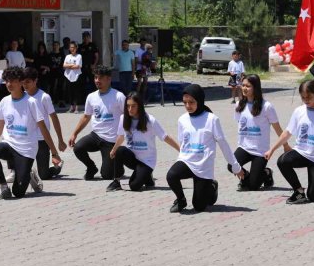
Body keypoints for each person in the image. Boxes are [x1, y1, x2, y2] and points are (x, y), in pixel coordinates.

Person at [0, 67, 62, 200]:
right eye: (7, 81)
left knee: (19, 192)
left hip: (26, 150)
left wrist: (54, 152)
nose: (9, 84)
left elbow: (43, 128)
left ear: (20, 82)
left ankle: (29, 175)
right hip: (9, 144)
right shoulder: (4, 101)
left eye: (13, 81)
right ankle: (3, 188)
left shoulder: (32, 102)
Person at [167, 84, 244, 213]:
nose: (187, 106)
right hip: (187, 161)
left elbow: (223, 144)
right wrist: (179, 161)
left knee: (199, 206)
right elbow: (183, 143)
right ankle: (180, 200)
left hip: (204, 166)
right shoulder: (182, 120)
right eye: (185, 102)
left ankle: (212, 186)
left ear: (200, 100)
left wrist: (235, 166)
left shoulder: (212, 119)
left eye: (191, 102)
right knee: (171, 175)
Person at [265, 80, 314, 204]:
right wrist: (272, 149)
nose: (306, 100)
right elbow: (287, 132)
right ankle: (298, 191)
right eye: (303, 97)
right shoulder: (299, 111)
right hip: (301, 152)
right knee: (282, 161)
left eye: (309, 97)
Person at [109, 91, 180, 191]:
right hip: (133, 158)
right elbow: (121, 136)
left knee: (134, 186)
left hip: (147, 162)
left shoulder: (150, 120)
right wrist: (113, 149)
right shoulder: (123, 118)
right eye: (128, 106)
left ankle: (148, 176)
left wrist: (181, 150)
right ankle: (116, 181)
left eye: (133, 106)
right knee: (120, 150)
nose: (130, 109)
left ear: (139, 106)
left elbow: (165, 137)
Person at [230, 74, 289, 191]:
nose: (244, 88)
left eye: (248, 86)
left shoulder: (267, 106)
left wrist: (285, 145)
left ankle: (266, 173)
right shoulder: (238, 105)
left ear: (256, 88)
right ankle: (246, 177)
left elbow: (277, 128)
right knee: (232, 166)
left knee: (253, 186)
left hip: (260, 151)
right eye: (243, 85)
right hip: (244, 147)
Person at [68, 65, 126, 183]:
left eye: (100, 78)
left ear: (108, 79)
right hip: (95, 136)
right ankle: (91, 168)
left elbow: (129, 116)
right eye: (95, 78)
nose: (97, 81)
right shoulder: (91, 97)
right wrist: (74, 133)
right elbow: (86, 117)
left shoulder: (119, 96)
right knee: (78, 148)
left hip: (111, 140)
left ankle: (118, 163)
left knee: (107, 175)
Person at [20, 67, 67, 181]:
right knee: (22, 171)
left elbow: (54, 118)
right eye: (23, 82)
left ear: (35, 81)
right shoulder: (21, 96)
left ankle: (57, 167)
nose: (25, 85)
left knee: (44, 175)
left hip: (42, 140)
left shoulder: (44, 97)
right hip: (26, 140)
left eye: (28, 82)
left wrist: (60, 140)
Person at [63, 41, 83, 113]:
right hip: (68, 76)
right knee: (70, 92)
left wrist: (69, 65)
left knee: (76, 92)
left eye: (73, 47)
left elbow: (78, 66)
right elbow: (64, 65)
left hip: (76, 76)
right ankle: (71, 107)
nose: (72, 49)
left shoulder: (79, 56)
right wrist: (72, 65)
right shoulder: (67, 56)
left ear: (76, 48)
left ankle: (77, 108)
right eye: (71, 47)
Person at [78, 32, 99, 100]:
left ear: (89, 38)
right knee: (82, 83)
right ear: (82, 38)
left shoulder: (93, 45)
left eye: (87, 37)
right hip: (83, 68)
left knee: (93, 83)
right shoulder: (80, 46)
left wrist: (94, 65)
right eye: (84, 37)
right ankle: (82, 99)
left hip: (91, 67)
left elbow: (96, 56)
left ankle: (95, 98)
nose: (86, 38)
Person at [48, 40, 65, 107]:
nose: (55, 47)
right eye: (54, 45)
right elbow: (49, 63)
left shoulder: (62, 54)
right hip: (52, 73)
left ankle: (61, 101)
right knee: (52, 86)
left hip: (60, 72)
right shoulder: (50, 55)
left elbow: (64, 63)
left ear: (59, 46)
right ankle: (52, 100)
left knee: (60, 86)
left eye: (57, 45)